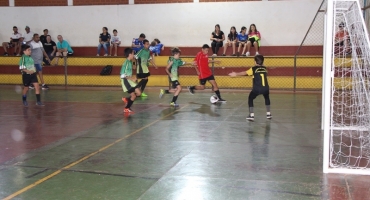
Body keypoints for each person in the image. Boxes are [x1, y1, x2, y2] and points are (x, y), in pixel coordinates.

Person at [228, 54, 271, 121]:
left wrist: (236, 74)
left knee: (250, 98)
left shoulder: (253, 69)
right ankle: (268, 114)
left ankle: (251, 115)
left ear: (255, 62)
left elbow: (244, 73)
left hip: (257, 89)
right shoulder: (265, 69)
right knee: (267, 97)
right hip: (266, 88)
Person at [120, 47, 141, 113]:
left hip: (130, 81)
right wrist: (132, 78)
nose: (133, 55)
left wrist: (135, 60)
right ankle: (127, 108)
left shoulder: (129, 62)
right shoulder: (126, 63)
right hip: (126, 81)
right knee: (134, 95)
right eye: (133, 53)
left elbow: (134, 68)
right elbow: (122, 75)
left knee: (139, 93)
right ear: (129, 54)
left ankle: (126, 99)